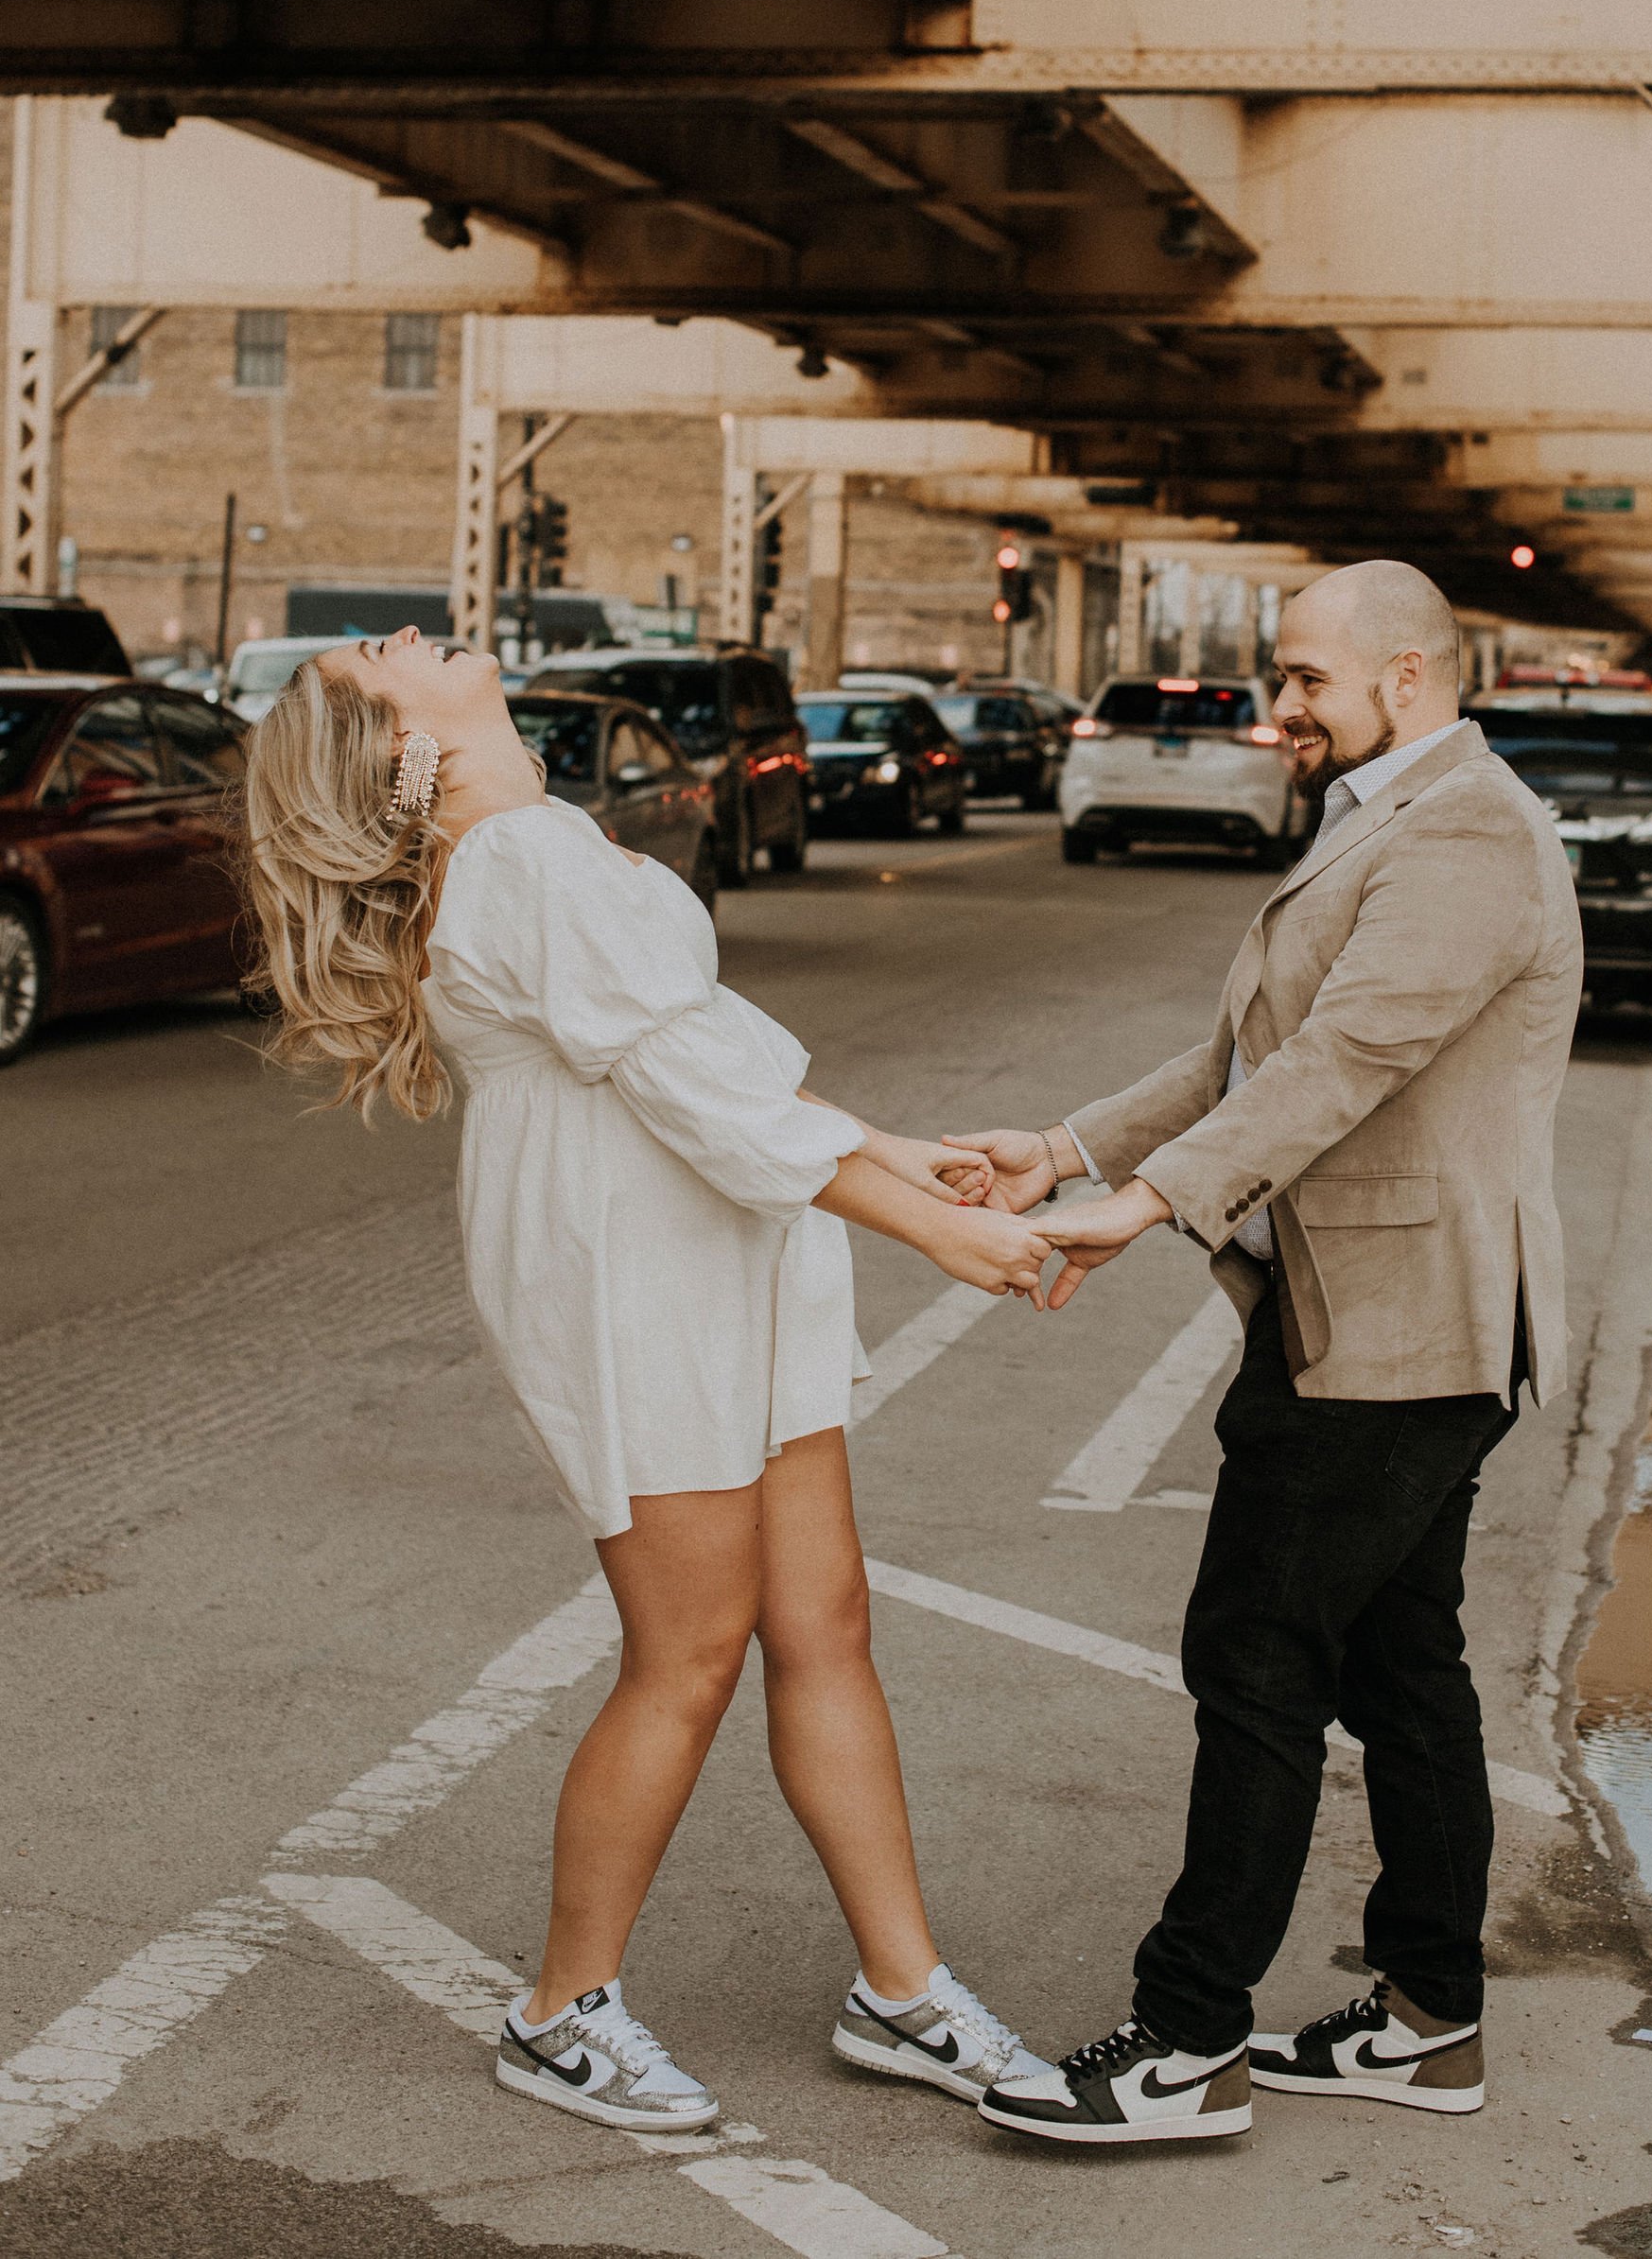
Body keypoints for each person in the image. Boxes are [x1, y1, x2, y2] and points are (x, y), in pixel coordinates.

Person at [241, 627, 1055, 2137]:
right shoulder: (514, 862)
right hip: (627, 1272)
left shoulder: (538, 845)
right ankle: (560, 2012)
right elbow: (689, 1087)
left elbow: (717, 1054)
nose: (409, 629)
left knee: (825, 1622)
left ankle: (903, 1990)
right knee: (688, 1650)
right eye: (380, 653)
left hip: (716, 1239)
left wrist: (893, 1150)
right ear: (396, 744)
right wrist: (939, 1229)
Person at [960, 560, 1583, 2149]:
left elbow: (1353, 1056)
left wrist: (1149, 1199)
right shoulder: (1390, 809)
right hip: (1382, 1317)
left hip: (1394, 1329)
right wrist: (1067, 1147)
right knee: (1399, 1664)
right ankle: (1433, 2021)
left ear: (1413, 675)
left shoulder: (1467, 831)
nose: (1280, 704)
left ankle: (1184, 2045)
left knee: (1256, 1657)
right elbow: (1253, 1046)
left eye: (1307, 676)